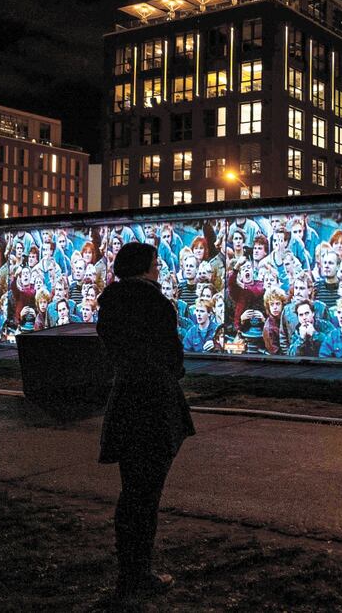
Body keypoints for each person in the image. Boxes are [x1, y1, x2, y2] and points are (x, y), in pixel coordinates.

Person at [97, 242, 195, 602]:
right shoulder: (155, 303)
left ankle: (129, 571)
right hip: (154, 404)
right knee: (146, 494)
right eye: (156, 263)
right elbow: (173, 356)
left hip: (125, 401)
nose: (159, 268)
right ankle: (138, 576)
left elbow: (112, 351)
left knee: (131, 491)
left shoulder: (110, 304)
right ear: (145, 266)